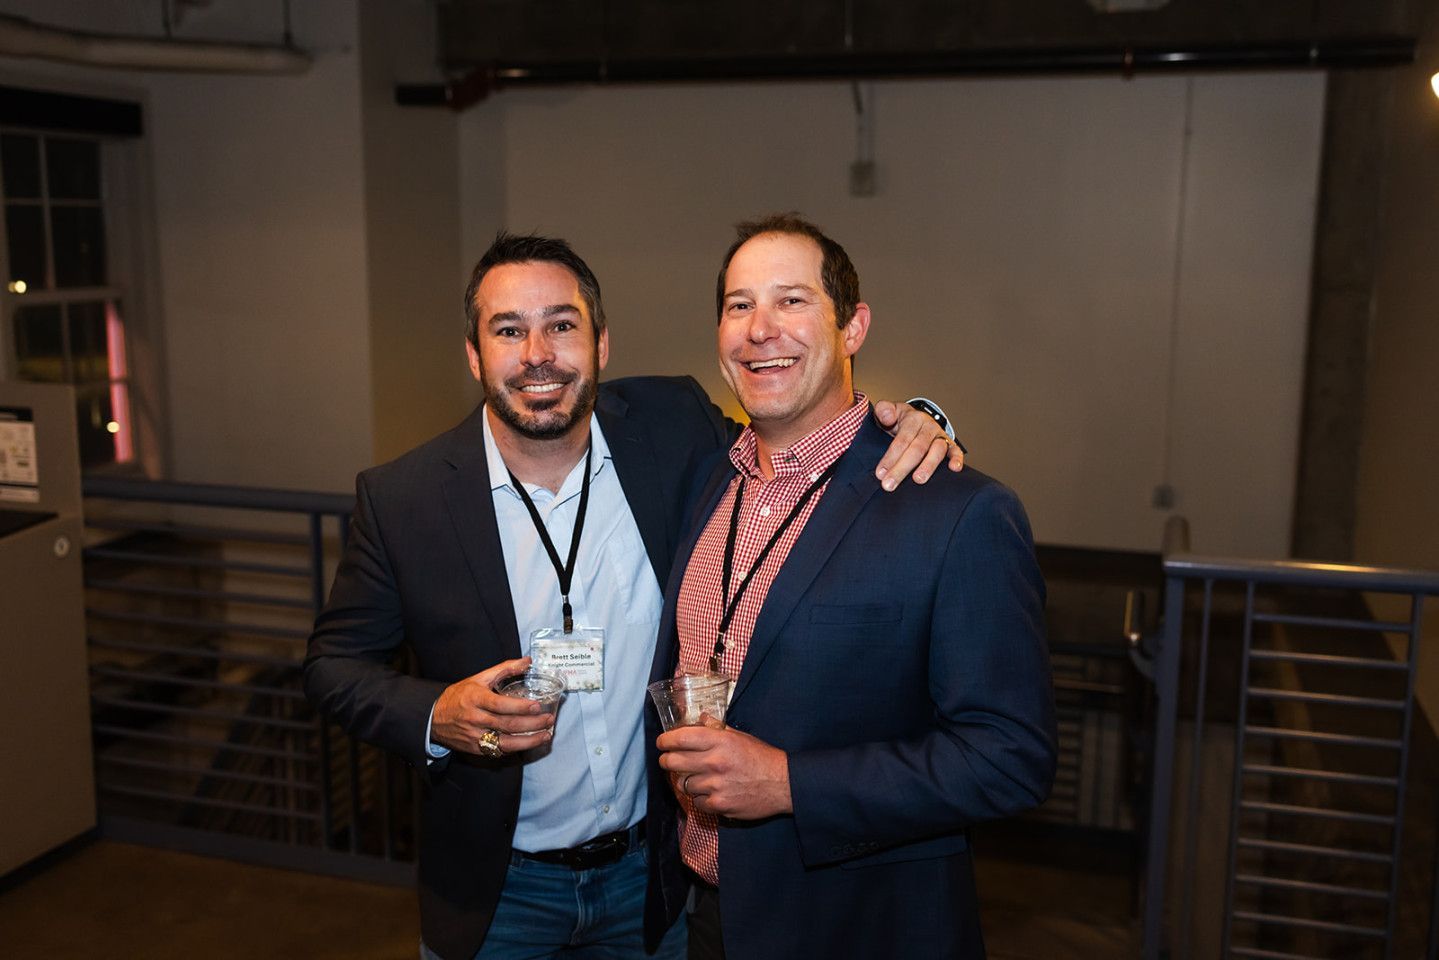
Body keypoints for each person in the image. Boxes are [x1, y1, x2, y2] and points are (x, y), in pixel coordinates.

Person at [303, 231, 964, 960]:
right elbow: (333, 666)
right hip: (496, 894)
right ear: (473, 354)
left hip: (651, 884)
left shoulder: (673, 427)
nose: (537, 355)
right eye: (508, 331)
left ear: (601, 343)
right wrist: (437, 714)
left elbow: (804, 440)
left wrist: (918, 419)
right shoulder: (404, 499)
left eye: (561, 325)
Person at [652, 214, 1056, 960]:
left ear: (853, 327)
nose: (760, 329)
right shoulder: (708, 474)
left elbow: (1009, 758)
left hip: (858, 927)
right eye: (739, 305)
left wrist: (789, 784)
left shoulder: (955, 510)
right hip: (702, 916)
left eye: (792, 300)